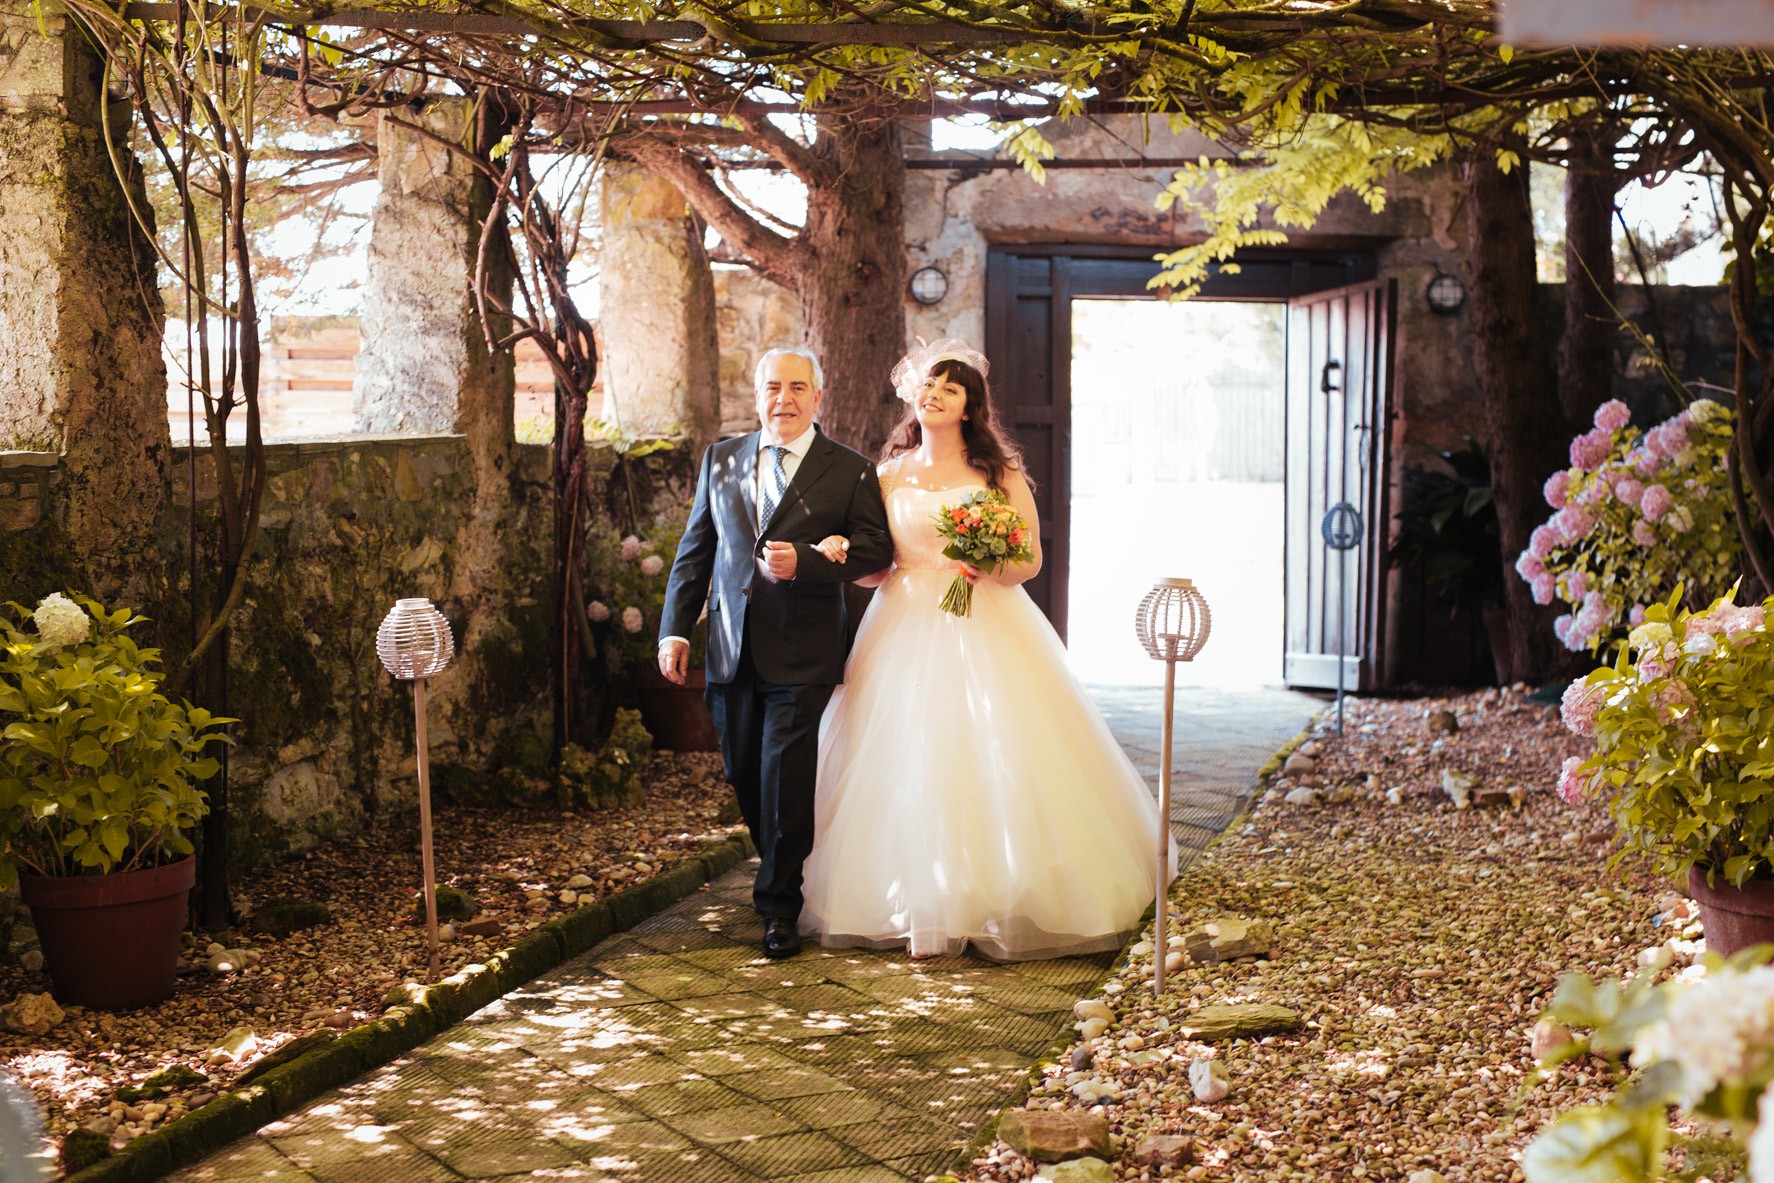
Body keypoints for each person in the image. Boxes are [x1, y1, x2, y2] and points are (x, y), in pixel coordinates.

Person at [798, 339, 1173, 960]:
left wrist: (987, 559)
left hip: (986, 616)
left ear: (970, 406)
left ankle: (1004, 892)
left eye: (950, 387)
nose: (935, 394)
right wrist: (844, 554)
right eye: (928, 385)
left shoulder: (998, 475)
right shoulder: (887, 475)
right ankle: (914, 894)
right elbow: (874, 565)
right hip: (903, 619)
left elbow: (1029, 559)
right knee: (907, 752)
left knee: (1000, 747)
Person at [658, 347, 892, 959]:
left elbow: (875, 550)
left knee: (785, 776)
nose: (782, 398)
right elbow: (695, 551)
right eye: (771, 386)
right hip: (731, 650)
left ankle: (780, 908)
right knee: (744, 773)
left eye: (796, 387)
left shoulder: (851, 469)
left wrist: (810, 562)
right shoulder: (722, 459)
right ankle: (784, 869)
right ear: (756, 393)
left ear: (818, 396)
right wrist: (675, 630)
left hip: (805, 653)